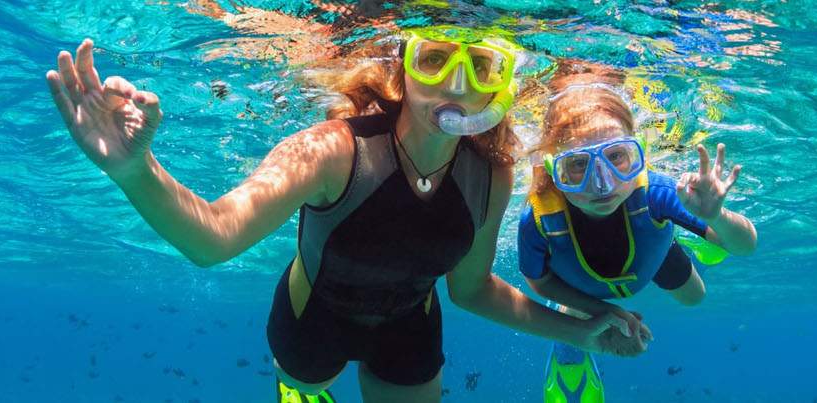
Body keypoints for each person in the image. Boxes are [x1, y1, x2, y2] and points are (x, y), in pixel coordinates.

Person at [42, 26, 646, 403]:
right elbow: (214, 238)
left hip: (411, 329)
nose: (456, 87)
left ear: (498, 89)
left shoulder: (492, 174)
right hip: (313, 322)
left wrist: (580, 330)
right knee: (306, 386)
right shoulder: (334, 150)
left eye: (482, 69)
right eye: (435, 60)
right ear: (404, 70)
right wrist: (132, 170)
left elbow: (471, 291)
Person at [516, 63, 758, 402]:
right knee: (571, 316)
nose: (602, 184)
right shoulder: (538, 219)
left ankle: (694, 232)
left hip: (652, 253)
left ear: (637, 153)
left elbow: (745, 246)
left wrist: (717, 218)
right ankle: (569, 355)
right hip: (577, 287)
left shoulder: (656, 193)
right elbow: (539, 282)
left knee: (695, 297)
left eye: (617, 158)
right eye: (577, 165)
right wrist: (603, 312)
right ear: (553, 169)